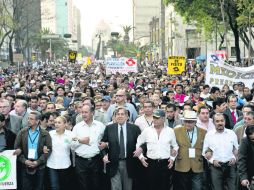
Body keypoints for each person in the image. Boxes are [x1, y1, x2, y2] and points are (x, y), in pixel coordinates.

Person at [135, 109, 178, 190]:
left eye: (157, 118)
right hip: (151, 163)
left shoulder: (170, 131)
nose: (154, 120)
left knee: (165, 186)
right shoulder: (147, 130)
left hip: (165, 163)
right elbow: (138, 144)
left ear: (163, 119)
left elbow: (175, 146)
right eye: (154, 117)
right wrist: (141, 158)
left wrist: (172, 159)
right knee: (151, 186)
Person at [101, 106, 141, 190]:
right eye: (117, 114)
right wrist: (104, 155)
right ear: (115, 117)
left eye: (122, 114)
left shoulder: (135, 129)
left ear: (127, 116)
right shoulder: (109, 128)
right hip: (113, 163)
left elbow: (141, 144)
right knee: (115, 188)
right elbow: (103, 144)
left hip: (129, 163)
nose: (120, 116)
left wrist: (140, 150)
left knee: (128, 187)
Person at [14, 111, 52, 190]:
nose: (28, 120)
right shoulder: (22, 132)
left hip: (40, 166)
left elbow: (48, 150)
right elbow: (17, 148)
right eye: (28, 118)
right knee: (26, 187)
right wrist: (24, 161)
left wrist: (38, 162)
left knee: (39, 187)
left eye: (31, 119)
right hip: (25, 165)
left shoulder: (45, 134)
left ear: (37, 121)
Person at [70, 104, 105, 190]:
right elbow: (71, 145)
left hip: (96, 160)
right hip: (81, 161)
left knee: (97, 185)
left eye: (86, 112)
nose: (84, 114)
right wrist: (80, 141)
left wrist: (105, 144)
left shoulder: (100, 126)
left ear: (92, 113)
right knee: (83, 186)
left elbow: (106, 141)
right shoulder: (77, 127)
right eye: (82, 112)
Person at [203, 113, 238, 190]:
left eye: (222, 121)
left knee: (233, 188)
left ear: (225, 121)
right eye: (217, 121)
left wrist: (234, 158)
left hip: (230, 165)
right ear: (213, 122)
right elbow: (204, 152)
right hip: (215, 167)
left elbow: (236, 149)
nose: (220, 123)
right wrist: (212, 160)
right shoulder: (209, 135)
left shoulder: (231, 133)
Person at [173, 110, 207, 190]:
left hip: (197, 164)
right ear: (183, 121)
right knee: (182, 187)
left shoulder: (203, 132)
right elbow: (172, 145)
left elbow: (207, 146)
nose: (188, 124)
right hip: (182, 164)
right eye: (186, 121)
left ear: (195, 122)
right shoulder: (176, 131)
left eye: (190, 122)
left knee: (197, 187)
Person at [46, 116, 73, 190]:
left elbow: (74, 147)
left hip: (65, 164)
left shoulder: (70, 134)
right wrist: (44, 148)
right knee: (54, 186)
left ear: (65, 124)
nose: (56, 124)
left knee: (64, 186)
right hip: (52, 164)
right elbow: (45, 145)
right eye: (55, 122)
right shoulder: (50, 134)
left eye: (59, 122)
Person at [238, 125, 254, 190]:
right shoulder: (244, 142)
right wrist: (243, 177)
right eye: (253, 139)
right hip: (248, 172)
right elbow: (242, 160)